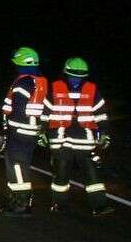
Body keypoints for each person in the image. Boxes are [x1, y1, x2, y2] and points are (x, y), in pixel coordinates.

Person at [44, 57, 114, 216]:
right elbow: (45, 113)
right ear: (66, 74)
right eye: (73, 76)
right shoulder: (55, 88)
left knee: (92, 175)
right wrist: (42, 132)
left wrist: (104, 134)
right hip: (61, 141)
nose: (76, 79)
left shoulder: (92, 90)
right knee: (61, 175)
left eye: (80, 76)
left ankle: (100, 205)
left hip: (85, 141)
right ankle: (59, 204)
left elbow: (101, 115)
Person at [0, 47, 48, 216]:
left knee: (17, 167)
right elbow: (46, 109)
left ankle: (21, 204)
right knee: (20, 166)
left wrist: (6, 131)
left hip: (19, 131)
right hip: (30, 131)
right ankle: (16, 201)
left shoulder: (23, 81)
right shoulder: (40, 81)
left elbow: (18, 109)